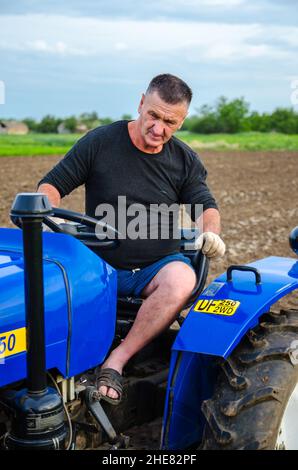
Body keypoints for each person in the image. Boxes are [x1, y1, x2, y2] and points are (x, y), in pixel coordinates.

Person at [38, 73, 225, 405]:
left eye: (170, 121)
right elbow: (52, 185)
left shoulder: (183, 160)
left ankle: (116, 361)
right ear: (141, 103)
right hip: (99, 265)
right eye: (153, 115)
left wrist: (210, 232)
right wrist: (43, 208)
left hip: (157, 267)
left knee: (182, 278)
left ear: (181, 121)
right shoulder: (100, 143)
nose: (158, 128)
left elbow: (205, 207)